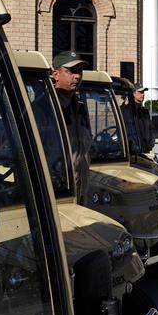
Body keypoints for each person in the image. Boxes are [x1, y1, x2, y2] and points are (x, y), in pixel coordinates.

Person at [52, 51, 92, 202]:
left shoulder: (79, 107)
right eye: (71, 71)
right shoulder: (47, 108)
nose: (77, 76)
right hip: (60, 192)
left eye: (80, 71)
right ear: (56, 74)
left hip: (81, 189)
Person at [131, 83, 156, 153]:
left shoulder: (144, 111)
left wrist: (150, 144)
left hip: (145, 149)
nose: (143, 94)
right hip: (133, 150)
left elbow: (151, 128)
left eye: (143, 92)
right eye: (140, 92)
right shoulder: (129, 110)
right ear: (134, 94)